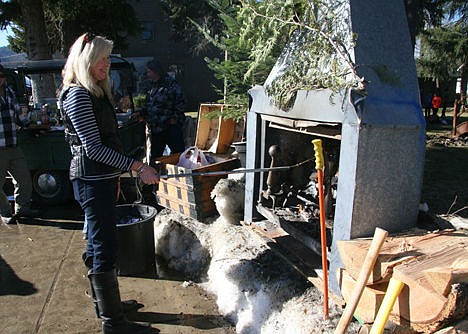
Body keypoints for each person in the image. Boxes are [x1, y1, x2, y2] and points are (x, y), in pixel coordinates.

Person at [59, 33, 159, 333]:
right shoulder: (77, 95)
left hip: (100, 179)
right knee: (103, 245)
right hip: (91, 181)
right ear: (86, 60)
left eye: (107, 59)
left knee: (98, 242)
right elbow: (94, 148)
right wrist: (137, 167)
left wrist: (116, 175)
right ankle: (113, 323)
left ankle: (107, 305)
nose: (106, 64)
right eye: (101, 59)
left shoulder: (94, 93)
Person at [0, 64, 40, 225]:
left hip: (13, 145)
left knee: (24, 180)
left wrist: (31, 124)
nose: (0, 79)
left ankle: (22, 208)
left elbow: (18, 116)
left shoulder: (9, 92)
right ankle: (4, 211)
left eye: (2, 75)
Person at [141, 60, 186, 161]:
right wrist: (141, 113)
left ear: (155, 71)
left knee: (179, 155)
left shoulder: (170, 84)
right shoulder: (151, 87)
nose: (147, 74)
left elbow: (181, 102)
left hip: (170, 127)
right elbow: (149, 105)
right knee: (156, 157)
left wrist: (174, 117)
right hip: (157, 128)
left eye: (149, 71)